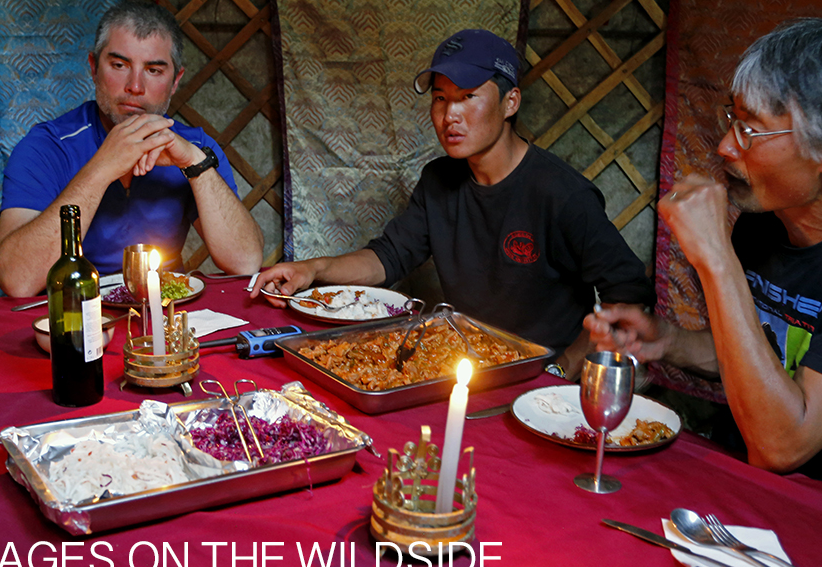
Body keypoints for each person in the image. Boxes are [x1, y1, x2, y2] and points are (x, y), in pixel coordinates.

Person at [586, 18, 822, 522]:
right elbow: (761, 357)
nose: (725, 147)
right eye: (731, 119)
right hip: (743, 501)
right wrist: (670, 341)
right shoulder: (763, 226)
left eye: (751, 129)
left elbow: (783, 443)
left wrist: (715, 259)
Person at [251, 29, 653, 376]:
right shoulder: (439, 180)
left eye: (468, 97)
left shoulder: (563, 195)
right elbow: (388, 258)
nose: (450, 116)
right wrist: (312, 269)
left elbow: (628, 296)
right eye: (441, 99)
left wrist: (561, 369)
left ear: (510, 102)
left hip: (539, 378)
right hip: (464, 366)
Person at [0, 0, 263, 297]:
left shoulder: (195, 148)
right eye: (119, 65)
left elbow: (245, 262)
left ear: (175, 81)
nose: (135, 86)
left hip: (164, 313)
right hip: (73, 318)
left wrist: (195, 163)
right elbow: (17, 279)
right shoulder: (47, 146)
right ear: (94, 68)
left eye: (154, 70)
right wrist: (102, 167)